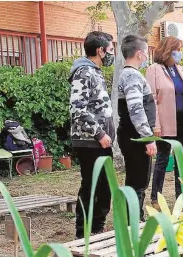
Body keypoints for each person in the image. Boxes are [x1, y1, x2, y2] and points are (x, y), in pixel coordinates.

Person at [69, 31, 115, 239]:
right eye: (110, 50)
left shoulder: (94, 71)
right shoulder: (83, 73)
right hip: (89, 141)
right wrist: (99, 133)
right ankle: (83, 232)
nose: (112, 54)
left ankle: (97, 228)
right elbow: (77, 109)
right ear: (100, 50)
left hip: (101, 141)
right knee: (91, 186)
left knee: (105, 187)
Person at [117, 35, 157, 222]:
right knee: (138, 181)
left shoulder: (127, 74)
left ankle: (132, 218)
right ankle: (133, 220)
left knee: (136, 178)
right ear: (140, 54)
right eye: (147, 52)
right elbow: (136, 109)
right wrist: (147, 138)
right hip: (135, 136)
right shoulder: (132, 75)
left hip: (132, 134)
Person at [146, 36, 183, 208]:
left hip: (182, 121)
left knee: (181, 161)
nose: (179, 53)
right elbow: (151, 99)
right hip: (164, 122)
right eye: (177, 49)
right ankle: (156, 197)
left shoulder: (180, 69)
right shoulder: (154, 69)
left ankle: (181, 197)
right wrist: (155, 124)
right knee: (163, 159)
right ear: (168, 50)